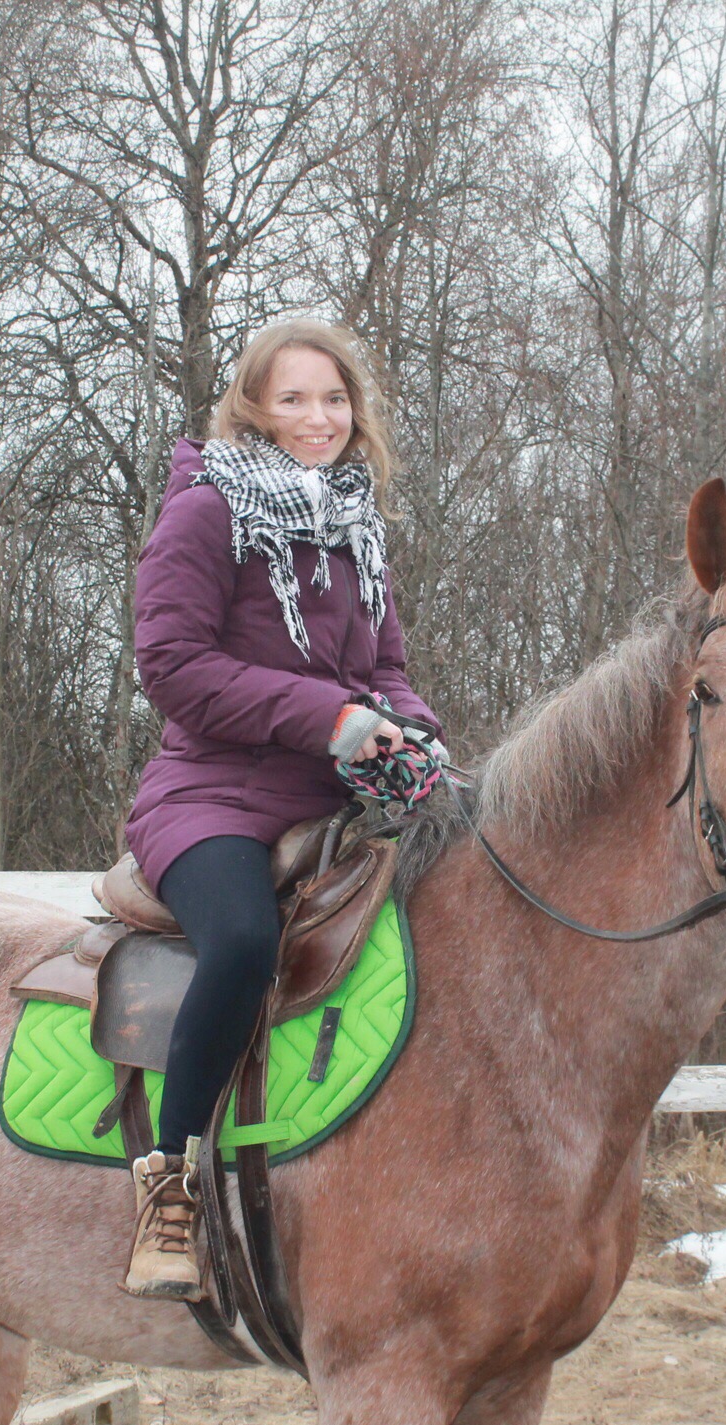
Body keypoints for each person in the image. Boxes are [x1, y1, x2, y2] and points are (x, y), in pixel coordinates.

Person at [120, 319, 443, 1300]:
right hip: (210, 799)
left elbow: (383, 669)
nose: (319, 417)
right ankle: (168, 1190)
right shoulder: (205, 515)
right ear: (252, 409)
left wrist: (417, 742)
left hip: (331, 798)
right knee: (244, 944)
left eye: (335, 399)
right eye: (295, 398)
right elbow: (172, 669)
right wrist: (330, 717)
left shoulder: (355, 527)